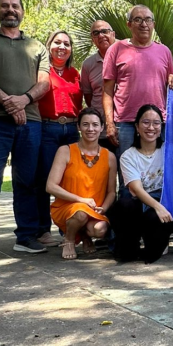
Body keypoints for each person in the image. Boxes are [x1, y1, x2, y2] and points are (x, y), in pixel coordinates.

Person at [0, 0, 50, 259]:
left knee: (26, 181)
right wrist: (9, 103)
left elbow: (44, 83)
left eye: (15, 6)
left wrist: (24, 100)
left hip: (30, 123)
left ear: (22, 12)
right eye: (4, 6)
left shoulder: (37, 46)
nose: (10, 10)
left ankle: (26, 236)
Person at [102, 5, 173, 193]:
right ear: (129, 24)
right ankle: (129, 220)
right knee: (127, 178)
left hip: (159, 123)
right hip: (126, 122)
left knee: (164, 174)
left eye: (148, 20)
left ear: (153, 24)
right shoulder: (116, 49)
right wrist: (110, 123)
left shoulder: (164, 51)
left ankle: (160, 218)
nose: (144, 24)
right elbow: (107, 91)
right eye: (138, 20)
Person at [109, 105, 173, 263]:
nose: (151, 127)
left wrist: (161, 207)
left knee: (151, 255)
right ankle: (129, 246)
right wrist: (158, 207)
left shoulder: (169, 151)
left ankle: (154, 244)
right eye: (146, 122)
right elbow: (136, 190)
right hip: (138, 206)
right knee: (125, 204)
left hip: (160, 207)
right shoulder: (128, 156)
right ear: (137, 127)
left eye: (156, 123)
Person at [46, 108, 117, 260]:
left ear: (102, 127)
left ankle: (86, 236)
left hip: (94, 209)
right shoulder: (65, 151)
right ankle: (69, 240)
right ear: (78, 127)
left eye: (95, 125)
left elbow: (112, 192)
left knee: (100, 230)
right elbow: (50, 186)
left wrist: (103, 208)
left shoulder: (109, 156)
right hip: (68, 207)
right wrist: (81, 200)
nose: (90, 129)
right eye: (85, 124)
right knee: (80, 213)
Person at [35, 30, 83, 247]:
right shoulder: (41, 72)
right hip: (48, 129)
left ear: (71, 49)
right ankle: (43, 230)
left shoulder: (75, 74)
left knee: (71, 181)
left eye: (66, 43)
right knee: (46, 180)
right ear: (49, 45)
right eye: (57, 42)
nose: (62, 47)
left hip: (72, 131)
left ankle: (68, 230)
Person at [80, 20, 116, 151]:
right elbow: (88, 96)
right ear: (92, 39)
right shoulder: (88, 65)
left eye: (104, 31)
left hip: (126, 124)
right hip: (101, 130)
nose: (101, 35)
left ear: (113, 34)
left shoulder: (128, 56)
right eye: (96, 33)